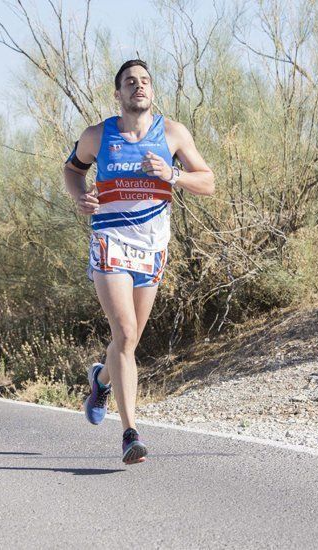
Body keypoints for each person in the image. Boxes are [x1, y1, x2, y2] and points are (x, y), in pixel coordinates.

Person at [64, 59, 214, 464]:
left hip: (152, 246)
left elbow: (208, 182)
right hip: (110, 239)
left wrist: (173, 174)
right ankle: (130, 434)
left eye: (145, 81)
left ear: (152, 90)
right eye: (130, 82)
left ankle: (100, 380)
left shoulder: (172, 133)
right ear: (119, 93)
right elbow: (72, 170)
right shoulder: (98, 135)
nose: (139, 86)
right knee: (126, 334)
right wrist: (80, 197)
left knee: (128, 341)